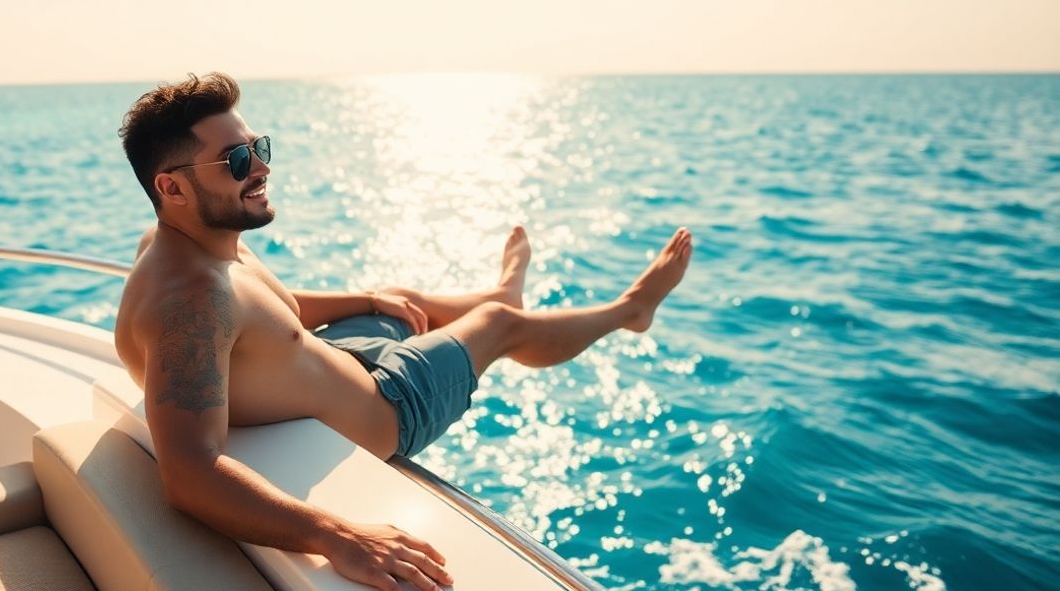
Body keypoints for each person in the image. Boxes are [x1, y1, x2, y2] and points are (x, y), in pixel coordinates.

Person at [114, 72, 692, 591]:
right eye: (236, 160)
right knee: (497, 327)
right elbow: (189, 473)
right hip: (386, 407)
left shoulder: (185, 246)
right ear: (173, 187)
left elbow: (274, 311)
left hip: (330, 360)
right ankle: (628, 310)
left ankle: (496, 290)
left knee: (400, 301)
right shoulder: (190, 304)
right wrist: (337, 536)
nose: (262, 167)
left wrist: (368, 300)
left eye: (258, 148)